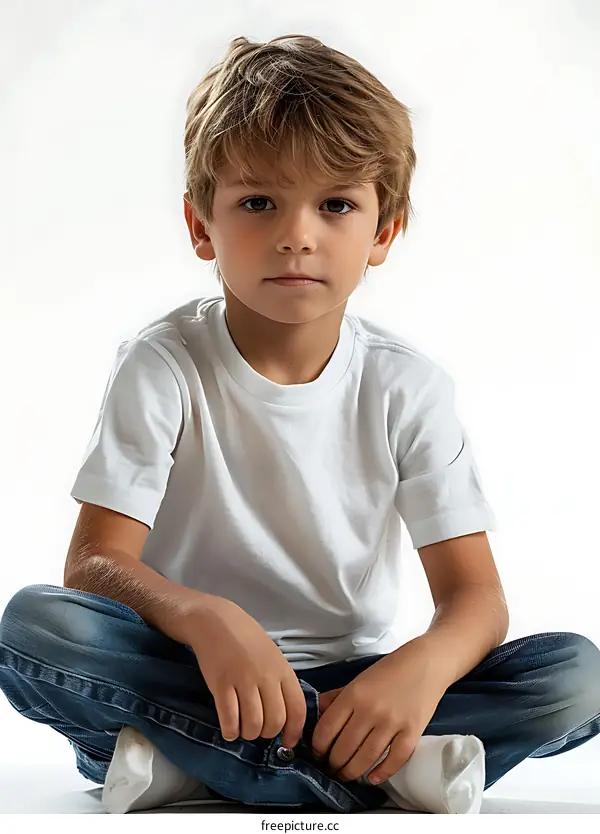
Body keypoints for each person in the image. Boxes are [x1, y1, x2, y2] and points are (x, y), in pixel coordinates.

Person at [1, 33, 599, 815]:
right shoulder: (163, 366)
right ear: (201, 225)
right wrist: (202, 616)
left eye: (337, 204)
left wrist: (417, 670)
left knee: (574, 676)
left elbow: (476, 600)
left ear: (384, 230)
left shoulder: (405, 386)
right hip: (190, 668)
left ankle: (195, 764)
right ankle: (380, 772)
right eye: (258, 202)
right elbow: (93, 566)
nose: (298, 234)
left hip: (352, 687)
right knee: (34, 627)